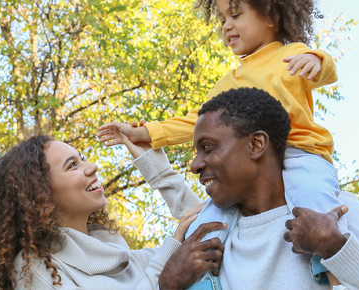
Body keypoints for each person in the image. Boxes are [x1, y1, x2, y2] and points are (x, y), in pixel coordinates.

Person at [98, 0, 342, 285]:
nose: (227, 25)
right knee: (202, 224)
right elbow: (195, 122)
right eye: (223, 18)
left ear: (271, 17)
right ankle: (204, 282)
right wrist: (148, 133)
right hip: (251, 167)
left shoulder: (291, 55)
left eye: (236, 15)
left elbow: (326, 70)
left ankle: (328, 268)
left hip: (300, 152)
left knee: (316, 202)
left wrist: (317, 61)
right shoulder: (227, 83)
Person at [119, 87, 359, 289]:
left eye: (208, 147)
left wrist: (336, 249)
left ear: (256, 145)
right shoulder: (207, 242)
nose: (195, 164)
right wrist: (168, 285)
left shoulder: (336, 217)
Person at [0, 135, 226, 289]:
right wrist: (165, 282)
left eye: (82, 158)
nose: (92, 167)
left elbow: (215, 227)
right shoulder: (35, 271)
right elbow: (165, 278)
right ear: (40, 195)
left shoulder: (124, 257)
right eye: (72, 165)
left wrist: (156, 168)